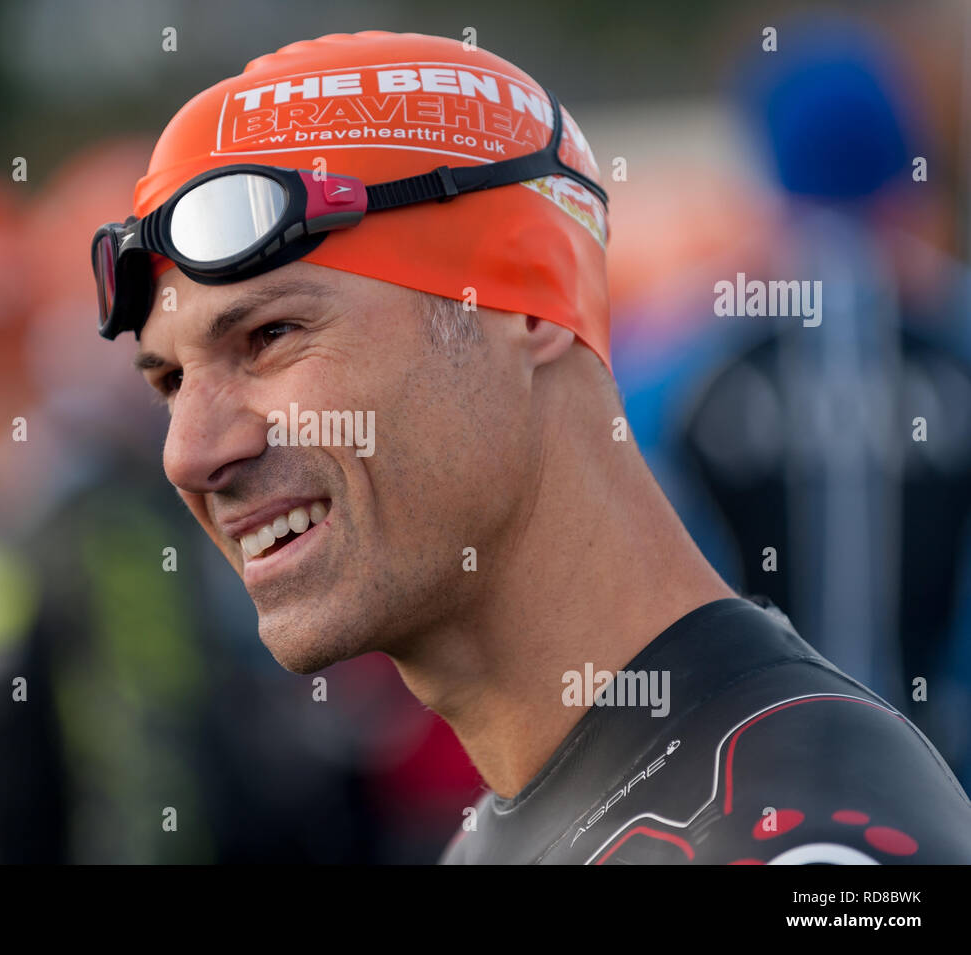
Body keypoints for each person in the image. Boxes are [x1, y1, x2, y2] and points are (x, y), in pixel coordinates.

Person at [87, 31, 971, 863]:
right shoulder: (534, 822)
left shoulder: (807, 840)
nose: (189, 454)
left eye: (272, 335)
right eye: (168, 383)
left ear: (527, 305)